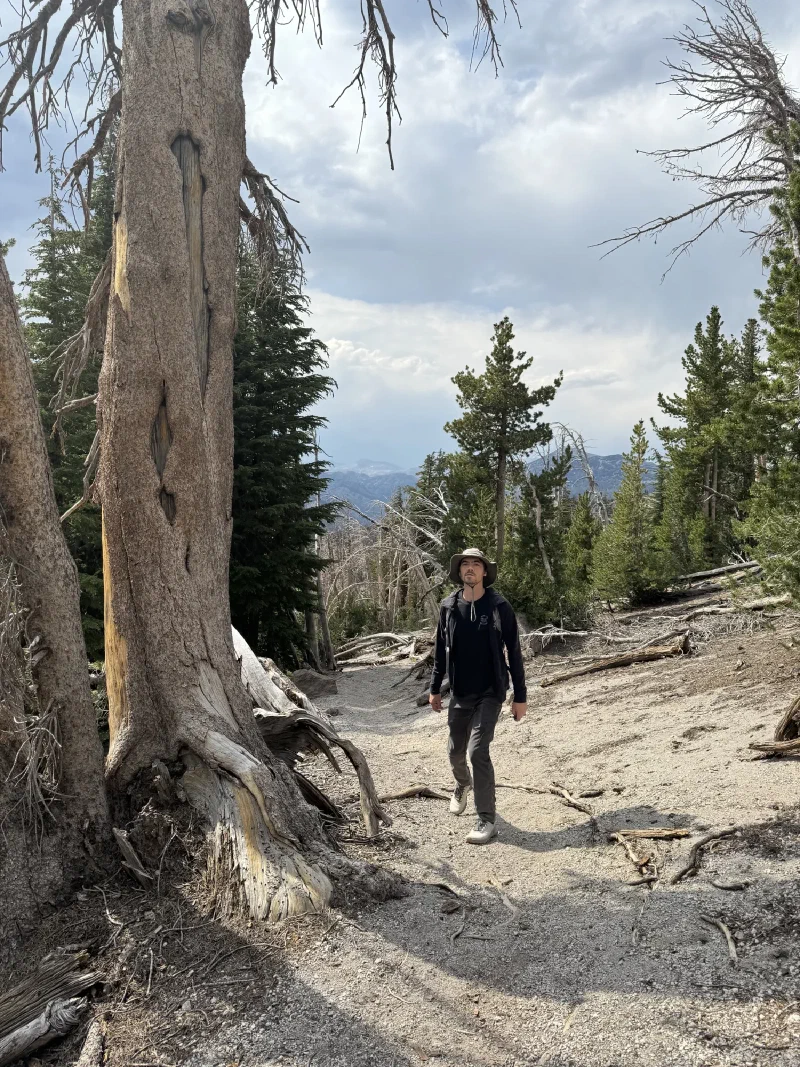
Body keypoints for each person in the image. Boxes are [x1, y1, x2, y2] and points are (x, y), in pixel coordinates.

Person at [429, 547, 527, 844]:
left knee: (477, 752)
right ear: (459, 572)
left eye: (476, 564)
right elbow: (439, 653)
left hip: (490, 691)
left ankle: (486, 819)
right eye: (465, 565)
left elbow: (515, 652)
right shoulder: (448, 607)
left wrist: (519, 696)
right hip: (460, 693)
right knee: (454, 752)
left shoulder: (498, 606)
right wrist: (434, 689)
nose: (470, 568)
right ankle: (462, 784)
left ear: (485, 572)